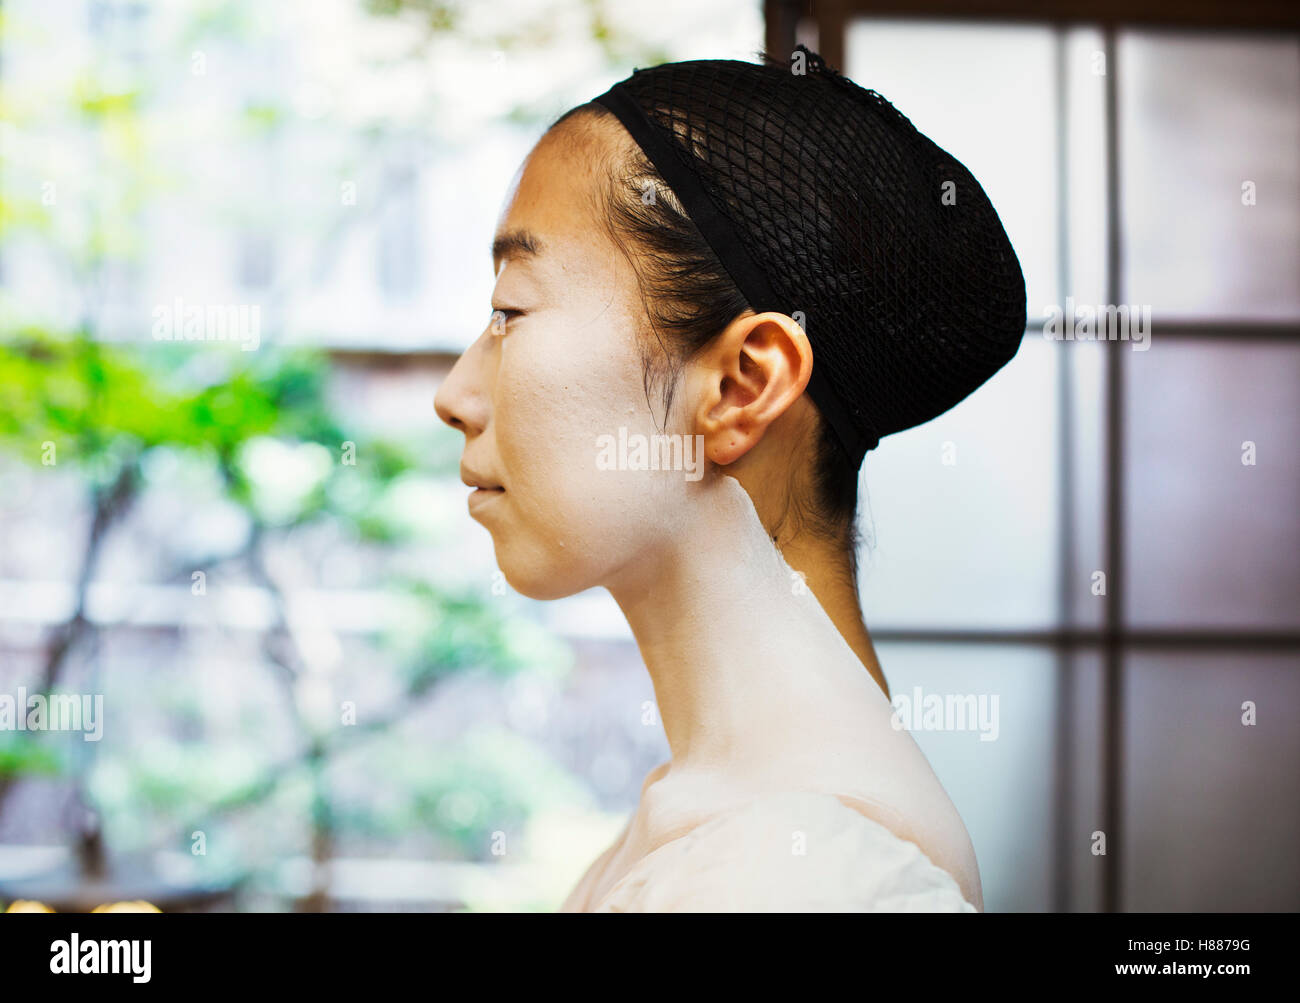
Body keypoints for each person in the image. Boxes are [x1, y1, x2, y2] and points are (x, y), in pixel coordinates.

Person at [434, 46, 1025, 912]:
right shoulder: (732, 831)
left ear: (743, 383)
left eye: (510, 311)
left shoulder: (800, 877)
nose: (454, 395)